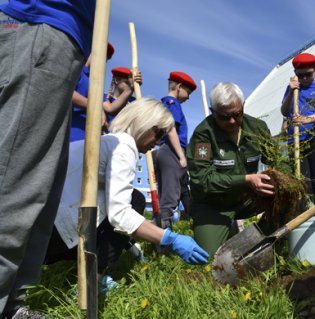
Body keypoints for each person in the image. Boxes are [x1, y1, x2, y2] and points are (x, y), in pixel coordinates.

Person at [46, 98, 209, 287]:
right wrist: (170, 239)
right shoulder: (124, 146)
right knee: (135, 201)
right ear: (144, 122)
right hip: (54, 232)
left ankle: (96, 271)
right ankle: (94, 280)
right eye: (157, 134)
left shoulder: (112, 141)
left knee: (135, 197)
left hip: (47, 221)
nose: (156, 143)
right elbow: (120, 214)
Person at [0, 1, 96, 318]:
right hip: (42, 24)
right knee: (18, 183)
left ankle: (13, 303)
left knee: (42, 192)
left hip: (63, 39)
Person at [187, 82, 275, 256]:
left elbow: (276, 160)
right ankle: (222, 229)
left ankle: (265, 238)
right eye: (225, 117)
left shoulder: (258, 128)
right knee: (209, 257)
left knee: (295, 198)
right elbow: (202, 180)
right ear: (213, 112)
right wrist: (247, 180)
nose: (232, 121)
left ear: (243, 107)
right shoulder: (203, 135)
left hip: (248, 198)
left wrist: (280, 180)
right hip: (213, 204)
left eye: (237, 114)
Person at [280, 52, 315, 214]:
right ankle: (305, 217)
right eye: (301, 75)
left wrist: (305, 119)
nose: (305, 78)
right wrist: (292, 92)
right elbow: (285, 112)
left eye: (308, 74)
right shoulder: (291, 89)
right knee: (302, 183)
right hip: (296, 140)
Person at [71, 50, 143, 142]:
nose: (102, 63)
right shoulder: (78, 71)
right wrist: (97, 107)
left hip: (91, 139)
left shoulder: (95, 84)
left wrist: (131, 88)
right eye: (100, 57)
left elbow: (110, 109)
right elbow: (66, 92)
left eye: (105, 60)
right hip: (74, 131)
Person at [155, 72, 196, 228]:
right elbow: (171, 129)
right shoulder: (172, 103)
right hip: (173, 150)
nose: (188, 97)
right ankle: (164, 242)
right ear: (179, 87)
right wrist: (181, 156)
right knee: (170, 198)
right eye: (188, 92)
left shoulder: (165, 104)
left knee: (176, 192)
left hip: (168, 150)